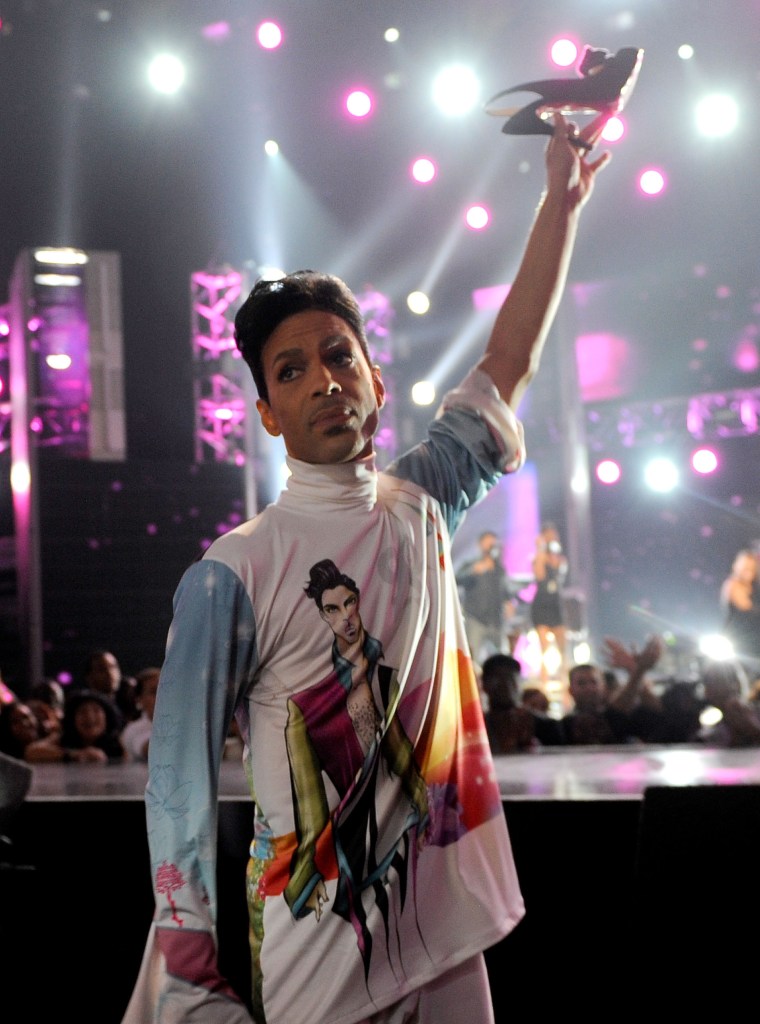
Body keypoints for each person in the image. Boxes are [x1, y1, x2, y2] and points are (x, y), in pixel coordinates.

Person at [123, 110, 611, 1024]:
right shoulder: (232, 572)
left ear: (376, 380)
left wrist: (561, 201)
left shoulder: (422, 502)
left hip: (443, 934)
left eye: (339, 357)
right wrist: (189, 962)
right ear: (268, 412)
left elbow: (508, 361)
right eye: (293, 370)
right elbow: (179, 780)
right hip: (316, 946)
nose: (323, 381)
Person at [457, 530, 514, 665]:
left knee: (500, 659)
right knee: (472, 659)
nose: (490, 546)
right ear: (480, 545)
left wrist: (509, 603)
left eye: (493, 542)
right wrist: (473, 571)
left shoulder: (499, 568)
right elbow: (456, 580)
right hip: (476, 619)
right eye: (487, 542)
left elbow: (504, 589)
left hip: (496, 620)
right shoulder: (471, 564)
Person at [529, 521, 568, 685]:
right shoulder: (539, 557)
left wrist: (555, 557)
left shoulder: (561, 559)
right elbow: (539, 576)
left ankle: (566, 685)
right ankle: (543, 685)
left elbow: (560, 580)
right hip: (541, 604)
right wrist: (540, 550)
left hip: (556, 604)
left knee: (563, 648)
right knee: (544, 647)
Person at [480, 653, 539, 753]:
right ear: (485, 684)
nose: (506, 687)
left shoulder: (538, 724)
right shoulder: (477, 728)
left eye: (511, 680)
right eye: (499, 680)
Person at [719, 548, 760, 677]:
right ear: (736, 566)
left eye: (752, 567)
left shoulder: (754, 590)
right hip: (740, 642)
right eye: (745, 566)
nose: (749, 570)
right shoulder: (733, 584)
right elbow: (746, 610)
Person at [59, 690, 128, 763]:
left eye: (96, 711)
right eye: (82, 712)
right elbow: (45, 750)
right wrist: (75, 754)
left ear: (107, 717)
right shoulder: (63, 739)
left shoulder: (121, 741)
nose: (90, 717)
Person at [121, 667, 160, 762]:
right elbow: (152, 750)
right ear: (139, 699)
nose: (162, 696)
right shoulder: (132, 730)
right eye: (154, 692)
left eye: (166, 690)